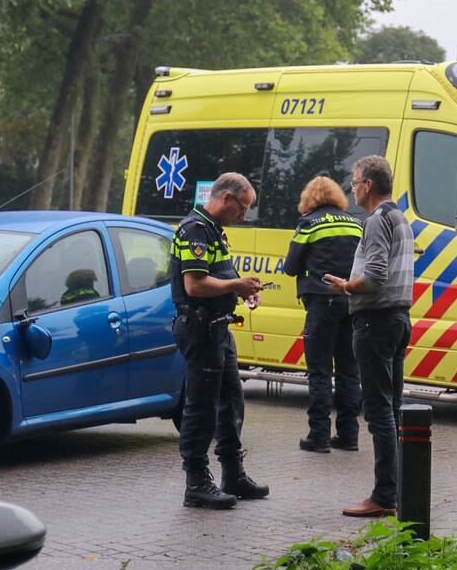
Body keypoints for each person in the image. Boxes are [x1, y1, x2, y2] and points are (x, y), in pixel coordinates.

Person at [170, 172, 269, 509]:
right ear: (226, 199)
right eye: (243, 208)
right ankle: (196, 482)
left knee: (231, 402)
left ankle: (233, 473)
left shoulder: (214, 231)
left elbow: (219, 277)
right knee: (201, 407)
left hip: (219, 329)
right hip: (201, 329)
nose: (244, 216)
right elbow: (194, 285)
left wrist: (242, 291)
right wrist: (235, 286)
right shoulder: (195, 230)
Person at [324, 156, 414, 518]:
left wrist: (345, 286)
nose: (351, 188)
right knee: (391, 409)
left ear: (368, 185)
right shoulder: (400, 218)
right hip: (398, 319)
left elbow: (374, 275)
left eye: (354, 182)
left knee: (378, 411)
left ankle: (383, 495)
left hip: (374, 322)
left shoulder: (377, 221)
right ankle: (397, 490)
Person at [283, 176, 363, 454]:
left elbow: (291, 267)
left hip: (321, 304)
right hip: (351, 302)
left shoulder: (308, 223)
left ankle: (318, 436)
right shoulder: (356, 223)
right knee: (349, 370)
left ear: (309, 198)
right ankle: (349, 435)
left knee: (319, 372)